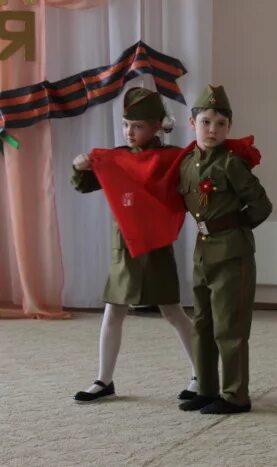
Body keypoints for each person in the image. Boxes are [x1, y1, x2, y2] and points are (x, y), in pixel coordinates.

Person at [72, 87, 198, 403]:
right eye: (126, 123)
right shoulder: (116, 158)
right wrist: (81, 168)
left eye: (138, 126)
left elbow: (190, 185)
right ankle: (104, 380)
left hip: (156, 247)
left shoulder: (172, 159)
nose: (130, 131)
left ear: (158, 126)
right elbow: (86, 184)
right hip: (125, 247)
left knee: (173, 311)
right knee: (113, 310)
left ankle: (202, 374)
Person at [176, 85, 272, 415]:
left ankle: (235, 395)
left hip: (232, 254)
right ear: (193, 124)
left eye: (220, 123)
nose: (212, 129)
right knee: (202, 322)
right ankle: (206, 387)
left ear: (229, 127)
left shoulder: (232, 164)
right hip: (202, 252)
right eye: (205, 122)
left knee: (229, 327)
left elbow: (261, 205)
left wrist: (233, 228)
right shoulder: (187, 163)